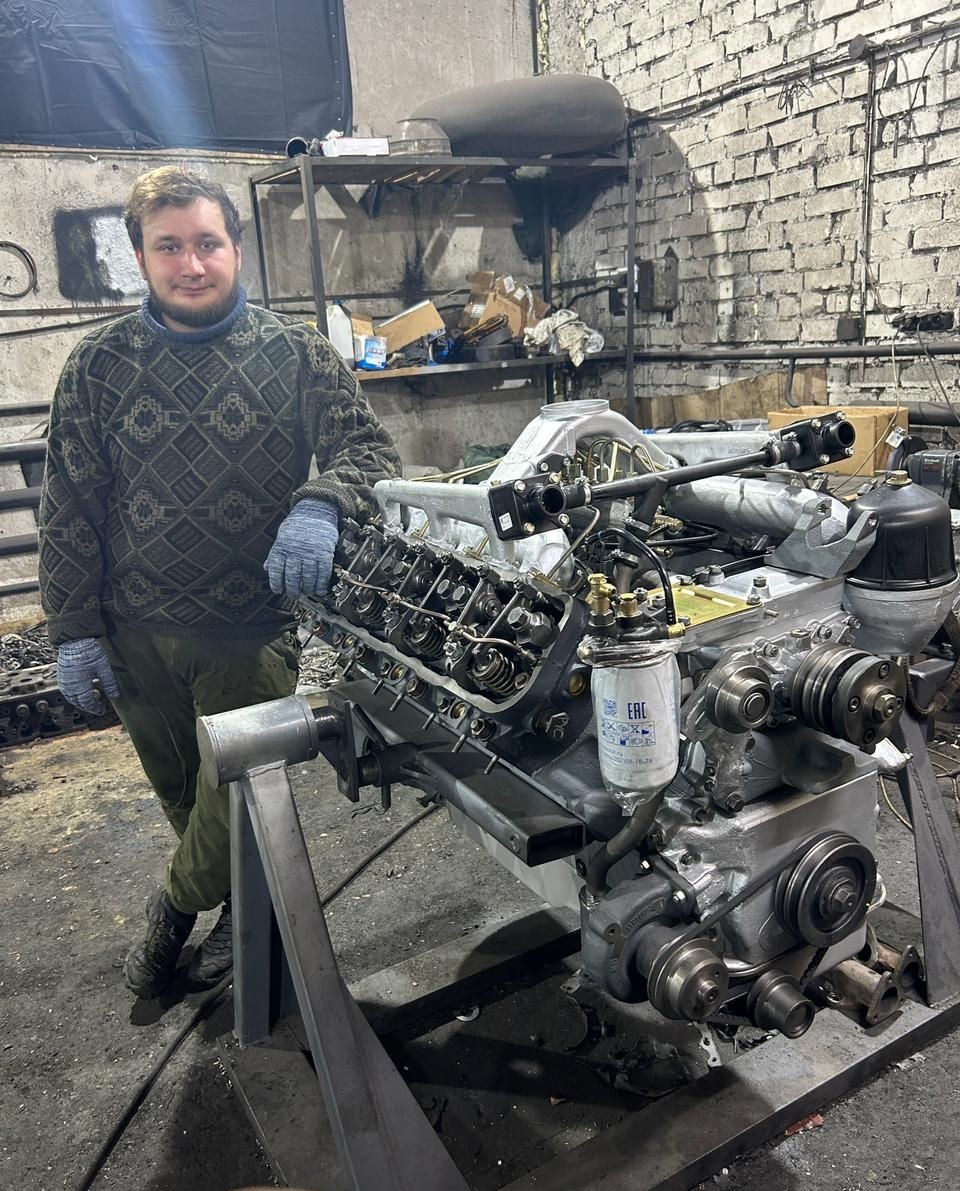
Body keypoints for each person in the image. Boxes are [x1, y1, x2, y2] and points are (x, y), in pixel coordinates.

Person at [39, 166, 400, 999]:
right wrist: (73, 627)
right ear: (140, 258)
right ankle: (246, 919)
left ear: (237, 248)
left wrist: (321, 502)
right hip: (135, 639)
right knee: (187, 801)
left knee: (233, 798)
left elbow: (368, 450)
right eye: (169, 247)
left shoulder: (294, 352)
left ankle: (172, 910)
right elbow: (70, 505)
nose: (192, 264)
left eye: (207, 243)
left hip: (249, 632)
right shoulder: (97, 365)